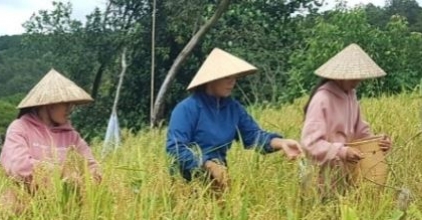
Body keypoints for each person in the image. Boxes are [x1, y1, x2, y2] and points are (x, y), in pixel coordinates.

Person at [165, 48, 303, 191]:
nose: (232, 82)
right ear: (211, 79)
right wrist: (208, 165)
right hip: (187, 185)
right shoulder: (187, 109)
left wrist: (282, 143)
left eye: (235, 77)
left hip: (219, 181)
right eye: (227, 77)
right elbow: (175, 148)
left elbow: (253, 136)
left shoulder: (233, 108)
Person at [0, 69, 101, 206]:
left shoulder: (71, 136)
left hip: (65, 210)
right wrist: (63, 172)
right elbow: (18, 166)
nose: (70, 109)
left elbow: (92, 167)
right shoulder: (20, 128)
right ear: (50, 104)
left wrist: (86, 183)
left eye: (72, 104)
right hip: (25, 209)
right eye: (66, 103)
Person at [300, 44, 392, 194]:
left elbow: (360, 134)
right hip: (323, 178)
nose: (357, 81)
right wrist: (341, 151)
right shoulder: (322, 99)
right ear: (340, 76)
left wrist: (378, 142)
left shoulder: (350, 96)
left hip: (348, 175)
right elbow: (310, 144)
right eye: (353, 76)